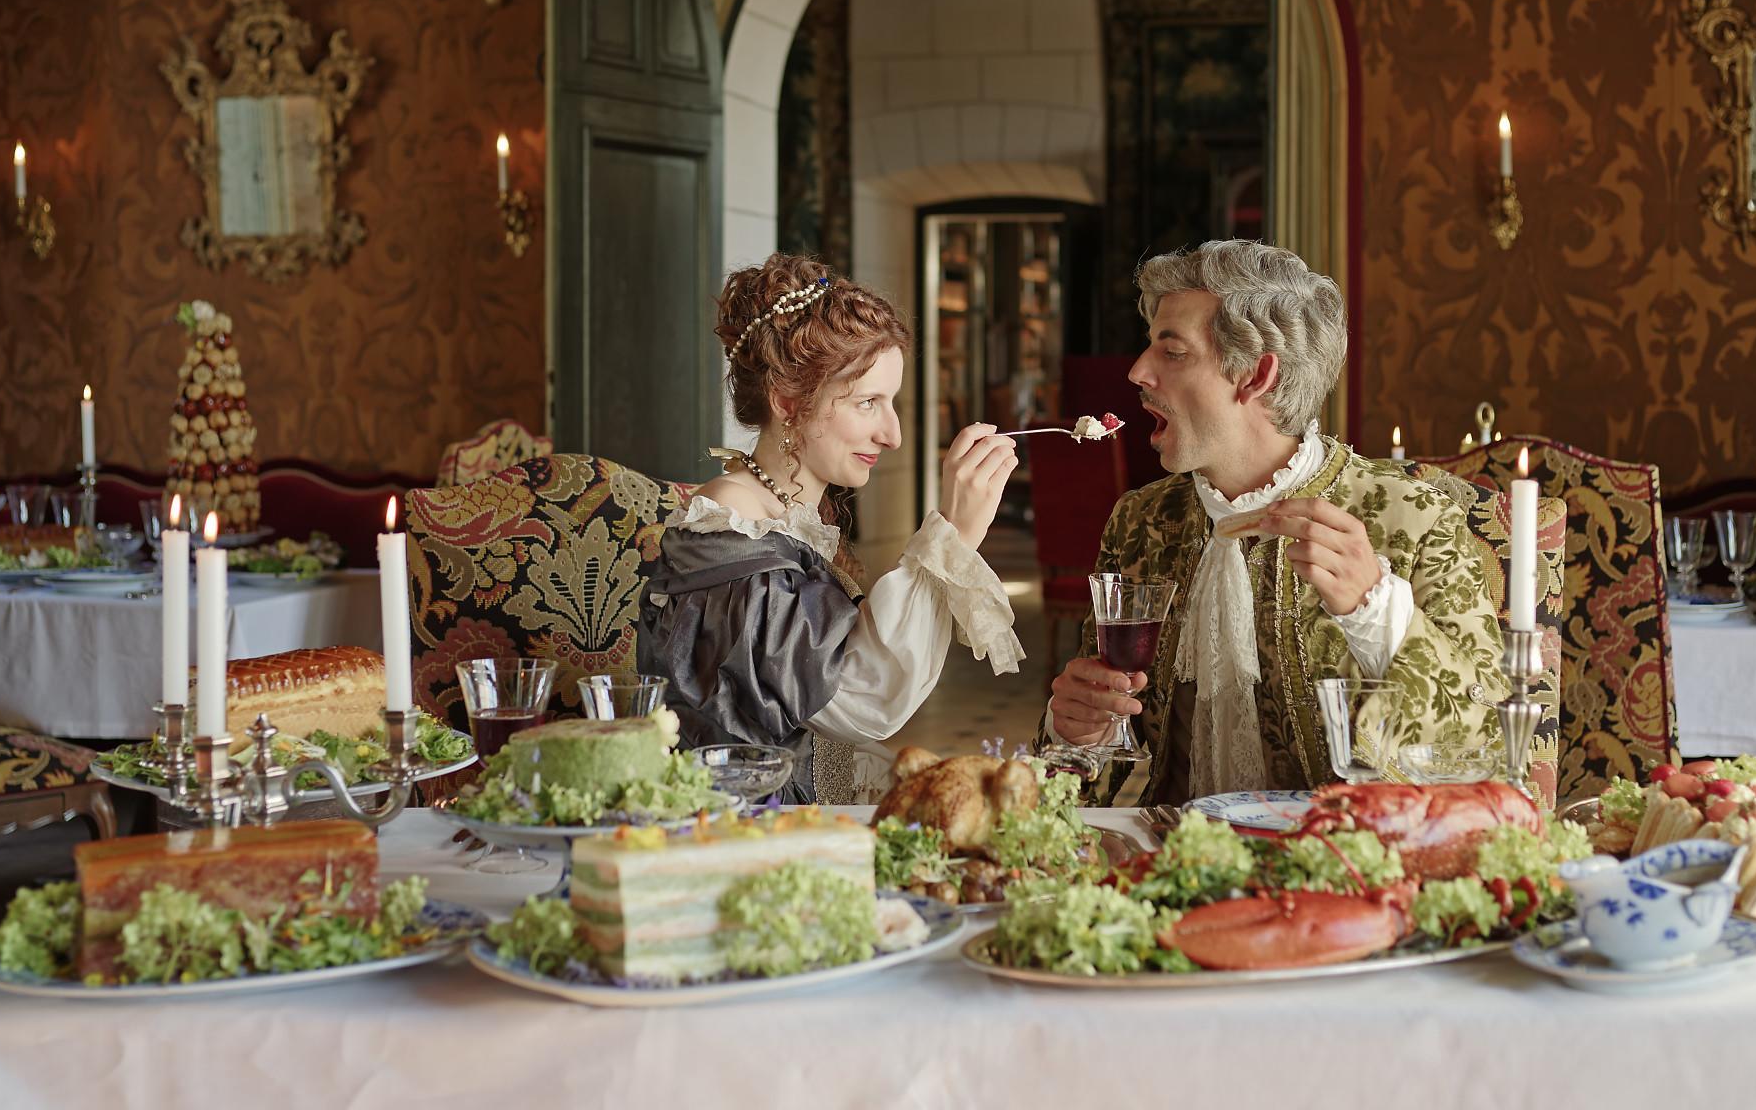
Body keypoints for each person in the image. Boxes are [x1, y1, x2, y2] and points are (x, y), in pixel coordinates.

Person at [1045, 240, 1505, 803]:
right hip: (1167, 872)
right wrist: (1074, 732)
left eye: (1173, 353)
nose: (1138, 371)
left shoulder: (1413, 518)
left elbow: (1486, 752)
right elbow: (1084, 779)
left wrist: (1379, 611)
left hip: (1345, 871)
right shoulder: (1140, 522)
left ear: (1256, 376)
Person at [637, 253, 1025, 802]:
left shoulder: (789, 516)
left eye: (891, 403)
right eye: (868, 402)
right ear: (789, 402)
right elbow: (858, 700)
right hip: (735, 829)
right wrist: (950, 537)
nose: (891, 434)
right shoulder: (731, 525)